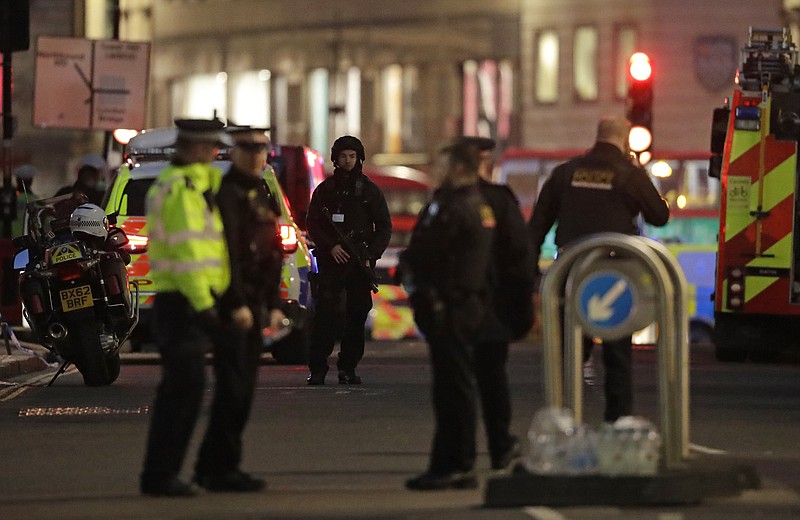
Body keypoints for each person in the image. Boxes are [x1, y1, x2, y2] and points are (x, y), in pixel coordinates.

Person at [140, 118, 258, 497]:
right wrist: (207, 306)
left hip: (199, 300)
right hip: (185, 303)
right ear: (193, 147)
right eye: (210, 148)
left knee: (197, 389)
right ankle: (161, 476)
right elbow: (188, 255)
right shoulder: (180, 189)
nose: (214, 155)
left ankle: (194, 470)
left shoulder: (197, 187)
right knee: (181, 392)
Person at [527, 115, 670, 422]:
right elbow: (659, 215)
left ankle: (564, 415)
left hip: (571, 269)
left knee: (570, 349)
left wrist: (530, 274)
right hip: (614, 272)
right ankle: (616, 422)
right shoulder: (629, 175)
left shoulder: (565, 172)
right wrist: (642, 175)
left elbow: (537, 226)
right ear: (625, 139)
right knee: (617, 350)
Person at [400, 141, 496, 491]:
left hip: (454, 307)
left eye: (443, 164)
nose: (437, 170)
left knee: (455, 391)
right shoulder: (456, 203)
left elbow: (445, 257)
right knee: (449, 391)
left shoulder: (462, 206)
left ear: (457, 167)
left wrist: (434, 295)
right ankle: (450, 463)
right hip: (451, 306)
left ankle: (456, 464)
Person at [458, 136, 536, 471]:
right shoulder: (500, 200)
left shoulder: (446, 199)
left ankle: (461, 454)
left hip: (458, 309)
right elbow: (521, 256)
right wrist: (518, 308)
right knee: (492, 380)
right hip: (491, 309)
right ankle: (499, 445)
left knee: (458, 384)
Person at [305, 135, 391, 385]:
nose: (348, 161)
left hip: (359, 263)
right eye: (343, 156)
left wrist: (371, 255)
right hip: (332, 263)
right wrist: (330, 246)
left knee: (357, 314)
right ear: (335, 158)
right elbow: (313, 222)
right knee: (325, 315)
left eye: (352, 156)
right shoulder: (326, 190)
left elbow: (384, 226)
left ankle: (348, 367)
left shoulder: (369, 190)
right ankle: (318, 367)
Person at [12, 164, 39, 238]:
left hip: (7, 239)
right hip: (28, 238)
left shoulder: (9, 198)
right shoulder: (34, 200)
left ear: (17, 180)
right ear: (31, 181)